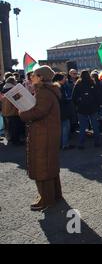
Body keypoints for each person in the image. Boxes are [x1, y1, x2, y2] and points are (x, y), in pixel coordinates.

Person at [19, 66, 62, 211]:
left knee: (42, 166)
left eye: (34, 75)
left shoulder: (44, 93)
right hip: (47, 133)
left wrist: (22, 113)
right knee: (49, 165)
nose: (31, 77)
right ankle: (54, 195)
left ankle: (46, 199)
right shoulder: (47, 91)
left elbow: (38, 112)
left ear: (41, 77)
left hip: (43, 134)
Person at [72, 70, 102, 149]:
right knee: (95, 125)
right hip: (93, 107)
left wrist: (78, 104)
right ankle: (97, 142)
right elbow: (98, 95)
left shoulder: (78, 84)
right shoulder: (92, 83)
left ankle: (81, 144)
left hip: (82, 108)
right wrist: (97, 105)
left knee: (82, 127)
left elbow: (73, 97)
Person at [53, 73, 75, 150]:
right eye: (63, 78)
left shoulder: (56, 87)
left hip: (60, 111)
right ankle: (65, 145)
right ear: (59, 79)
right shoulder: (58, 88)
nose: (65, 79)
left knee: (62, 129)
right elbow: (61, 100)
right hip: (62, 111)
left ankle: (61, 144)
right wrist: (69, 99)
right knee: (65, 128)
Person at [1, 77, 25, 145]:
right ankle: (16, 141)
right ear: (13, 82)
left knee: (10, 127)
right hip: (13, 111)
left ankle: (12, 139)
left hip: (5, 111)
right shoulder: (13, 89)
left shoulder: (3, 89)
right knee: (15, 127)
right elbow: (18, 98)